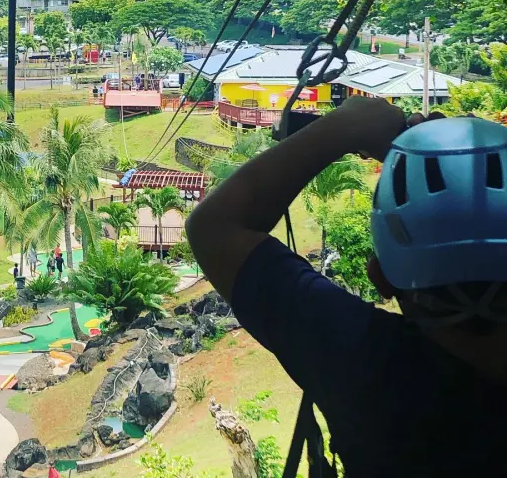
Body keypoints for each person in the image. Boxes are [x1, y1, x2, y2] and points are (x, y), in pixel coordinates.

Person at [186, 96, 507, 477]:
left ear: (380, 277)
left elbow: (214, 229)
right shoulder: (362, 359)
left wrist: (347, 126)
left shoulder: (367, 366)